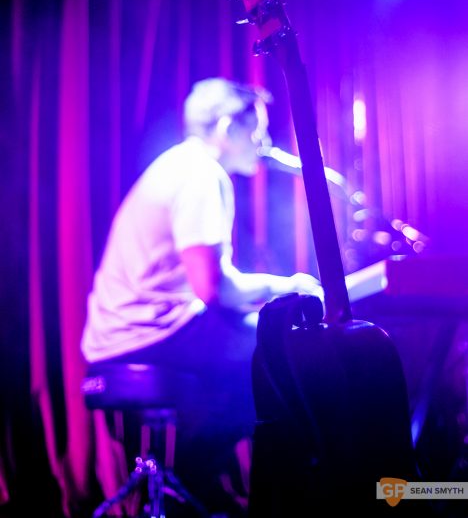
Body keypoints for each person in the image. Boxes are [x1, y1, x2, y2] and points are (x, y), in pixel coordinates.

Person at [81, 77, 321, 515]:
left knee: (251, 350)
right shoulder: (201, 174)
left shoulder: (177, 165)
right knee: (282, 349)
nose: (264, 143)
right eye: (257, 131)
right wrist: (288, 285)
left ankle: (199, 488)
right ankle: (223, 491)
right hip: (147, 332)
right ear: (227, 128)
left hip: (122, 334)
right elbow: (215, 289)